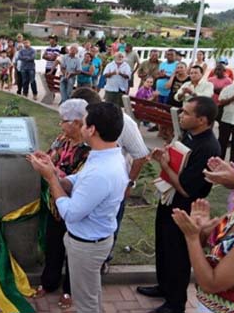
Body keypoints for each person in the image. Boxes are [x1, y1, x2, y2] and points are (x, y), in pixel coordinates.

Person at [28, 102, 128, 313]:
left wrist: (50, 178)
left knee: (86, 303)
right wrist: (53, 170)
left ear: (91, 129)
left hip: (87, 244)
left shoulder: (101, 171)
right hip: (90, 239)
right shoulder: (105, 154)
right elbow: (77, 179)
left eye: (83, 123)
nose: (80, 127)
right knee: (90, 293)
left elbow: (70, 213)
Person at [137, 96, 221, 313]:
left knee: (178, 255)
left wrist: (164, 164)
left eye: (186, 113)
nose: (180, 115)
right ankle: (164, 287)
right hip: (169, 200)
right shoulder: (189, 134)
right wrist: (165, 157)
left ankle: (176, 303)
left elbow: (186, 188)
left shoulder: (208, 147)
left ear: (202, 120)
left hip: (186, 206)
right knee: (164, 246)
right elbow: (177, 164)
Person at [71, 87, 150, 272]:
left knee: (108, 222)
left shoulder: (125, 123)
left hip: (113, 183)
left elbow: (140, 155)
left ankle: (103, 259)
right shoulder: (88, 124)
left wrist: (129, 184)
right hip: (89, 179)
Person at [32, 99, 92, 309]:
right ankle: (49, 282)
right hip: (55, 205)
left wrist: (52, 172)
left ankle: (69, 289)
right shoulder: (62, 139)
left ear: (77, 122)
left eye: (64, 121)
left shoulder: (88, 150)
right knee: (53, 245)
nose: (61, 125)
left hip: (76, 208)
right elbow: (51, 156)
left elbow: (78, 182)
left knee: (73, 251)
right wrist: (42, 158)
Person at [172, 195, 234, 313]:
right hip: (206, 305)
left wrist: (192, 238)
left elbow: (210, 285)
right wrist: (199, 228)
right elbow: (205, 242)